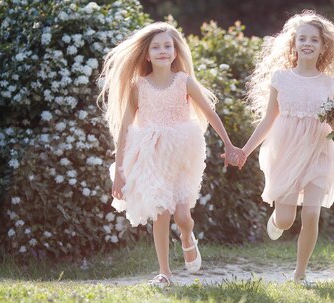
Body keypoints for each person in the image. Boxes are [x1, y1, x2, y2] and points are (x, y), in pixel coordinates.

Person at [98, 22, 244, 287]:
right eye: (156, 47)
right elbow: (124, 130)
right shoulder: (138, 87)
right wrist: (119, 174)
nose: (163, 51)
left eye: (168, 46)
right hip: (151, 154)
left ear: (176, 52)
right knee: (160, 211)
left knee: (182, 216)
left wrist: (229, 144)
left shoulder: (184, 82)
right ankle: (165, 272)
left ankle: (188, 237)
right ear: (146, 54)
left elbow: (210, 114)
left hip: (182, 152)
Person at [233, 11, 334, 285]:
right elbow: (268, 120)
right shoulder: (281, 79)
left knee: (311, 213)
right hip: (286, 152)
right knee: (286, 220)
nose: (307, 43)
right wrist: (245, 150)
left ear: (324, 47)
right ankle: (278, 219)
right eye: (302, 39)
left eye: (314, 39)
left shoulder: (330, 84)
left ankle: (300, 273)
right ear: (293, 44)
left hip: (318, 152)